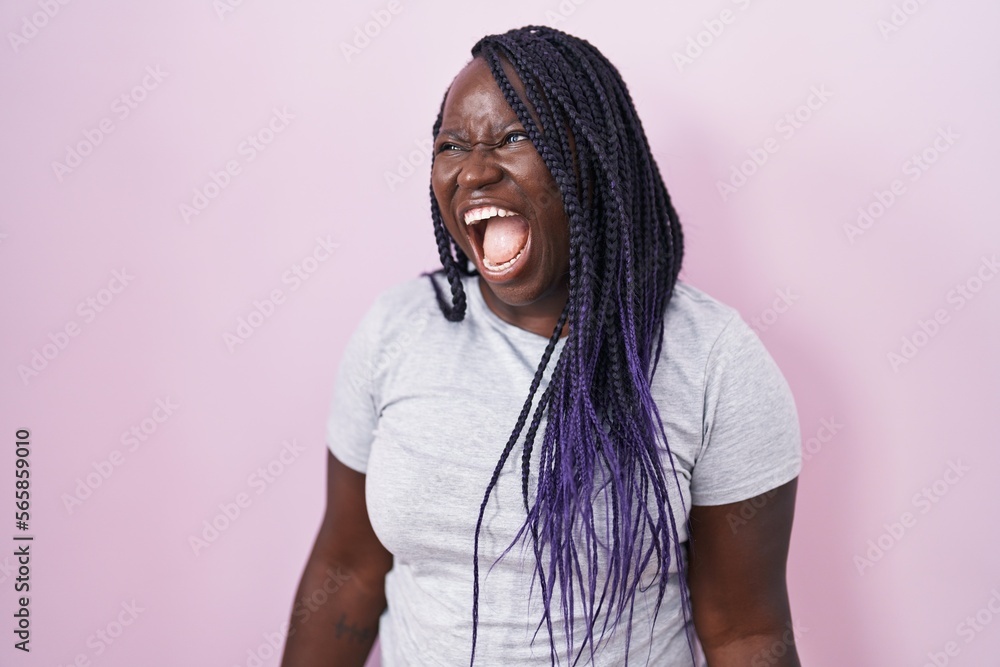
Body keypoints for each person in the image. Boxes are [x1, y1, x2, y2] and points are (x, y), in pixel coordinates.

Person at [280, 25, 802, 667]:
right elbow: (349, 571)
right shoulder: (397, 330)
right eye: (451, 146)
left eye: (514, 137)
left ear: (591, 155)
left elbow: (744, 631)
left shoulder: (714, 360)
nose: (474, 170)